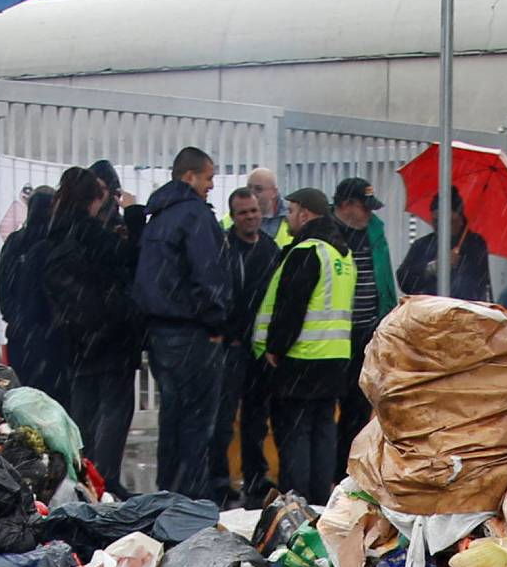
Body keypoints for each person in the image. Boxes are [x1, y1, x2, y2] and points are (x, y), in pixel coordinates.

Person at [134, 145, 231, 499]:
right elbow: (209, 276)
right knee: (197, 426)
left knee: (171, 420)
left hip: (162, 335)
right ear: (190, 176)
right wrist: (217, 324)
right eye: (208, 178)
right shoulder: (195, 216)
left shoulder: (158, 216)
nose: (211, 186)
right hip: (193, 334)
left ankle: (167, 495)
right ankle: (191, 504)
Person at [45, 164, 145, 493]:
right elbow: (128, 259)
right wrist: (134, 216)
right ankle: (104, 481)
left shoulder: (53, 232)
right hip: (109, 335)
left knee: (84, 409)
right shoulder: (91, 234)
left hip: (76, 338)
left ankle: (82, 477)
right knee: (114, 409)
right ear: (95, 199)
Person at [251, 188, 353, 507]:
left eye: (292, 211)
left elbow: (290, 308)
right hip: (335, 359)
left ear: (305, 214)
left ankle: (296, 504)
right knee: (323, 433)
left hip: (301, 359)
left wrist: (275, 347)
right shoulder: (342, 254)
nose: (288, 217)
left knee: (294, 435)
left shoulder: (306, 251)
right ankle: (321, 501)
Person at [209, 186, 278, 506]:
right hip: (233, 345)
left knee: (255, 418)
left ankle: (255, 476)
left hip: (259, 347)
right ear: (233, 217)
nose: (250, 217)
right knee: (223, 419)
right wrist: (227, 331)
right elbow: (219, 292)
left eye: (253, 211)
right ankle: (220, 480)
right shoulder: (224, 247)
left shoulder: (269, 248)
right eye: (243, 213)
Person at [331, 178, 398, 475]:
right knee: (329, 408)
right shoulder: (329, 234)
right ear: (345, 205)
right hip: (335, 335)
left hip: (367, 331)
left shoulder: (374, 230)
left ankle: (350, 468)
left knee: (359, 407)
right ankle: (332, 471)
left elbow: (384, 277)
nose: (369, 213)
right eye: (363, 206)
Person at [0, 187, 71, 402]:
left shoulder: (14, 243)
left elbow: (4, 292)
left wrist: (18, 319)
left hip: (22, 337)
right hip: (54, 339)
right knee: (57, 402)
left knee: (27, 399)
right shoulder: (58, 244)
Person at [398, 190, 493, 304]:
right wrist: (433, 267)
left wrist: (460, 264)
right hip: (428, 313)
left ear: (460, 218)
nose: (440, 226)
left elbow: (479, 284)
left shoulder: (475, 244)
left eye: (448, 221)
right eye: (435, 221)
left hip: (465, 313)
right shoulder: (422, 245)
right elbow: (404, 281)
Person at [247, 166, 285, 239]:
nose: (251, 194)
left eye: (258, 189)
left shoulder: (291, 218)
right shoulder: (231, 219)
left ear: (274, 192)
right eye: (249, 188)